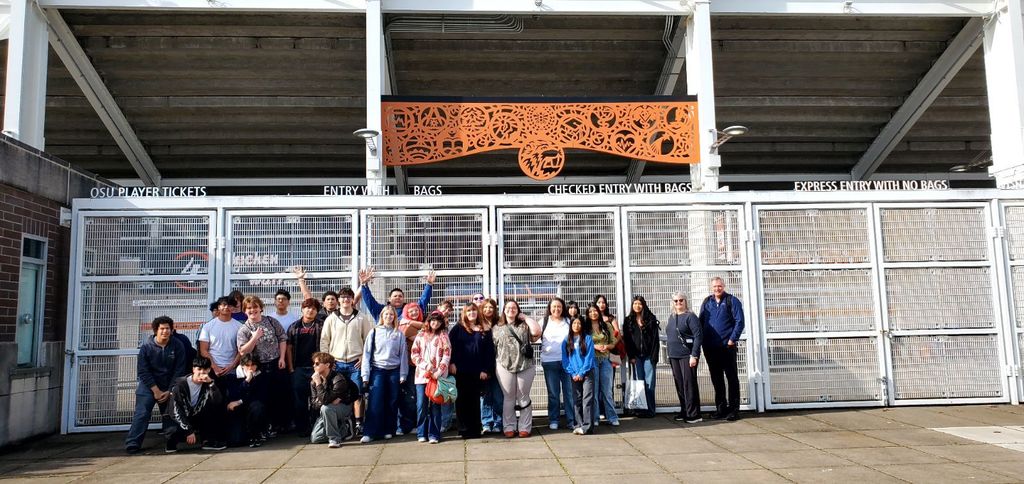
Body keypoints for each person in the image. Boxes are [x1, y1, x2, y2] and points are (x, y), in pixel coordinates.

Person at [358, 268, 435, 436]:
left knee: (406, 398)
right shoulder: (381, 314)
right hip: (381, 368)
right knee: (379, 399)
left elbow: (422, 302)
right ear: (388, 301)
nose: (398, 298)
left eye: (400, 296)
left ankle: (403, 426)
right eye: (394, 296)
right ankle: (375, 430)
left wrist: (429, 285)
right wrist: (364, 285)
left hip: (406, 365)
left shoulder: (411, 312)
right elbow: (369, 301)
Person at [125, 316, 189, 454]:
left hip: (169, 385)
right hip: (148, 386)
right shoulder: (146, 347)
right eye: (162, 329)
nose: (165, 331)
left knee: (171, 414)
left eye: (167, 328)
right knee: (142, 414)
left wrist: (170, 390)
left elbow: (179, 370)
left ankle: (171, 442)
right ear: (155, 330)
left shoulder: (177, 345)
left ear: (172, 330)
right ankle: (133, 443)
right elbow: (143, 371)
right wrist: (155, 390)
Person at [319, 286, 374, 433]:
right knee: (338, 393)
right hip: (336, 362)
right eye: (343, 297)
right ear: (339, 300)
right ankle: (342, 422)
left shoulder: (361, 317)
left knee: (357, 393)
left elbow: (368, 340)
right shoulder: (331, 319)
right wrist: (327, 361)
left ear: (352, 300)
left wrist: (363, 357)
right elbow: (325, 341)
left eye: (349, 297)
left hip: (355, 362)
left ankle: (358, 424)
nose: (346, 300)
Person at [236, 295, 289, 434]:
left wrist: (282, 358)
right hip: (258, 367)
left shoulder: (271, 321)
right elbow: (242, 350)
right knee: (262, 397)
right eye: (249, 308)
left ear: (261, 308)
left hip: (276, 363)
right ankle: (265, 427)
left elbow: (282, 338)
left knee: (279, 395)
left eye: (255, 307)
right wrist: (254, 338)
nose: (252, 310)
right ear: (245, 311)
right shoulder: (244, 329)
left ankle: (280, 425)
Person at [698, 277, 745, 421]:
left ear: (723, 286)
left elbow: (740, 321)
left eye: (719, 286)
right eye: (714, 286)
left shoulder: (732, 301)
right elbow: (701, 321)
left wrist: (732, 339)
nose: (717, 289)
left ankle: (733, 410)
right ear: (711, 288)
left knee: (731, 378)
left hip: (727, 347)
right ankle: (721, 409)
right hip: (710, 347)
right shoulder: (707, 302)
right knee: (716, 379)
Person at [492, 300, 541, 438]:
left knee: (523, 396)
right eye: (508, 307)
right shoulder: (497, 327)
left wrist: (525, 317)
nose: (511, 310)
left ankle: (525, 427)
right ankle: (509, 426)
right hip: (503, 365)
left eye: (514, 308)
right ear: (503, 310)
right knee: (509, 397)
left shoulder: (524, 326)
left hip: (524, 364)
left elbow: (537, 332)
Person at [360, 305, 408, 443]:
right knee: (375, 401)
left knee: (392, 401)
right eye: (386, 314)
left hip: (394, 370)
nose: (389, 317)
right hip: (378, 370)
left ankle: (388, 429)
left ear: (394, 317)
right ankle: (370, 432)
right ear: (382, 316)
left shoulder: (398, 334)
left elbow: (403, 355)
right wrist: (365, 376)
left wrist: (403, 374)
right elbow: (367, 354)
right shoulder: (374, 332)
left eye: (391, 315)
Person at [449, 303, 496, 439]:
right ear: (465, 313)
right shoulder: (458, 329)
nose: (471, 313)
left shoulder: (484, 329)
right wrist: (452, 362)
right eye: (469, 311)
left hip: (477, 372)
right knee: (462, 401)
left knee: (475, 401)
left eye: (474, 311)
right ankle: (463, 429)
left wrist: (485, 370)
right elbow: (449, 346)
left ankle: (475, 429)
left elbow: (489, 352)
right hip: (461, 371)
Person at [165, 356, 227, 452]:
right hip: (179, 418)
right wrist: (189, 430)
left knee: (214, 412)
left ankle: (208, 441)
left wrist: (211, 384)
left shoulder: (209, 383)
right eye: (199, 369)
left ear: (209, 370)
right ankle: (171, 443)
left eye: (205, 369)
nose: (202, 372)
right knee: (173, 430)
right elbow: (176, 411)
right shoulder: (180, 385)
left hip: (196, 415)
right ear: (193, 369)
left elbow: (217, 401)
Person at [410, 311, 451, 443]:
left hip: (438, 377)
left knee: (435, 405)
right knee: (421, 405)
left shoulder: (444, 336)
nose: (435, 323)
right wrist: (426, 366)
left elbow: (447, 354)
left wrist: (439, 371)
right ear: (429, 321)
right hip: (422, 375)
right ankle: (421, 432)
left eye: (438, 321)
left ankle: (434, 434)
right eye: (433, 320)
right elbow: (414, 353)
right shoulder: (421, 335)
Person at [286, 297, 323, 437]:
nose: (310, 310)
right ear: (302, 309)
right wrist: (290, 368)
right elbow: (289, 348)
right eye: (308, 307)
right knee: (299, 400)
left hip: (316, 369)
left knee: (317, 398)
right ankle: (302, 427)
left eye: (314, 308)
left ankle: (315, 426)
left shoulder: (322, 325)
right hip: (298, 368)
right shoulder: (294, 327)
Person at [666, 292, 703, 423]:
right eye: (675, 301)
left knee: (689, 384)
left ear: (685, 301)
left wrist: (694, 355)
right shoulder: (672, 317)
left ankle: (694, 414)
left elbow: (698, 336)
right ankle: (685, 410)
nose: (678, 303)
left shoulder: (691, 317)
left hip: (687, 355)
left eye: (681, 300)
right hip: (674, 355)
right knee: (680, 384)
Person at [309, 352, 360, 448]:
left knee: (326, 408)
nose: (314, 366)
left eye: (317, 363)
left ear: (327, 365)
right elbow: (314, 404)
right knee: (315, 438)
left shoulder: (338, 379)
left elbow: (355, 393)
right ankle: (344, 429)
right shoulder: (314, 381)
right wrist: (327, 400)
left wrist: (319, 385)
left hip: (343, 408)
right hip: (326, 410)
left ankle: (334, 439)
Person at [539, 297, 574, 430]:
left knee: (569, 393)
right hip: (549, 362)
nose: (556, 309)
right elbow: (534, 334)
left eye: (559, 306)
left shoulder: (568, 321)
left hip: (567, 362)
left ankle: (571, 420)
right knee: (553, 393)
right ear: (549, 308)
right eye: (554, 306)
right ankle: (554, 419)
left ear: (563, 308)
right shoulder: (544, 321)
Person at [623, 295, 660, 418]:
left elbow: (655, 340)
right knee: (639, 383)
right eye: (635, 304)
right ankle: (639, 409)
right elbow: (628, 341)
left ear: (643, 305)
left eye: (639, 304)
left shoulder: (651, 319)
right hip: (636, 357)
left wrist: (654, 357)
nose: (637, 306)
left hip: (649, 356)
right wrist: (631, 356)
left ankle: (650, 409)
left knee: (650, 383)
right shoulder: (628, 321)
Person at [198, 296, 243, 392]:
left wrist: (232, 366)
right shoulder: (208, 326)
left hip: (232, 372)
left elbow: (241, 350)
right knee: (214, 401)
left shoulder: (239, 326)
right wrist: (215, 367)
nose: (226, 307)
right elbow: (203, 350)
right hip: (212, 371)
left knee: (231, 402)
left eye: (229, 305)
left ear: (233, 308)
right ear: (218, 307)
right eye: (223, 304)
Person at [586, 303, 620, 427]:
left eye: (595, 311)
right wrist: (593, 346)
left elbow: (613, 342)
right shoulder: (586, 327)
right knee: (593, 391)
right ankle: (595, 417)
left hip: (605, 360)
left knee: (607, 390)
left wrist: (607, 346)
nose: (593, 313)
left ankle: (612, 416)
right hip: (592, 361)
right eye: (590, 312)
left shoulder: (606, 325)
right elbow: (583, 343)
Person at [225, 353, 269, 447]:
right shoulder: (232, 376)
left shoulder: (261, 375)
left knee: (258, 407)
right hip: (238, 409)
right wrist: (246, 382)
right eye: (247, 365)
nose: (250, 368)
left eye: (253, 365)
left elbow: (260, 395)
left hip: (252, 405)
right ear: (242, 365)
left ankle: (256, 434)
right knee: (236, 441)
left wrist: (240, 401)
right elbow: (235, 394)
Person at [563, 316, 595, 435]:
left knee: (587, 399)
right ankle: (579, 424)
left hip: (587, 373)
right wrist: (573, 373)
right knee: (576, 400)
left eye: (579, 323)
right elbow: (565, 359)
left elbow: (589, 358)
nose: (576, 326)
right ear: (571, 325)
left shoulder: (587, 339)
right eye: (574, 323)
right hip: (574, 375)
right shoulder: (566, 341)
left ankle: (587, 427)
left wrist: (581, 373)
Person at [477, 297, 504, 434]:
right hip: (483, 367)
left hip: (499, 366)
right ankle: (486, 423)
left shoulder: (500, 324)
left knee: (499, 397)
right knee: (485, 397)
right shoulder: (477, 324)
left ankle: (499, 422)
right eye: (485, 307)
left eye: (491, 307)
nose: (488, 310)